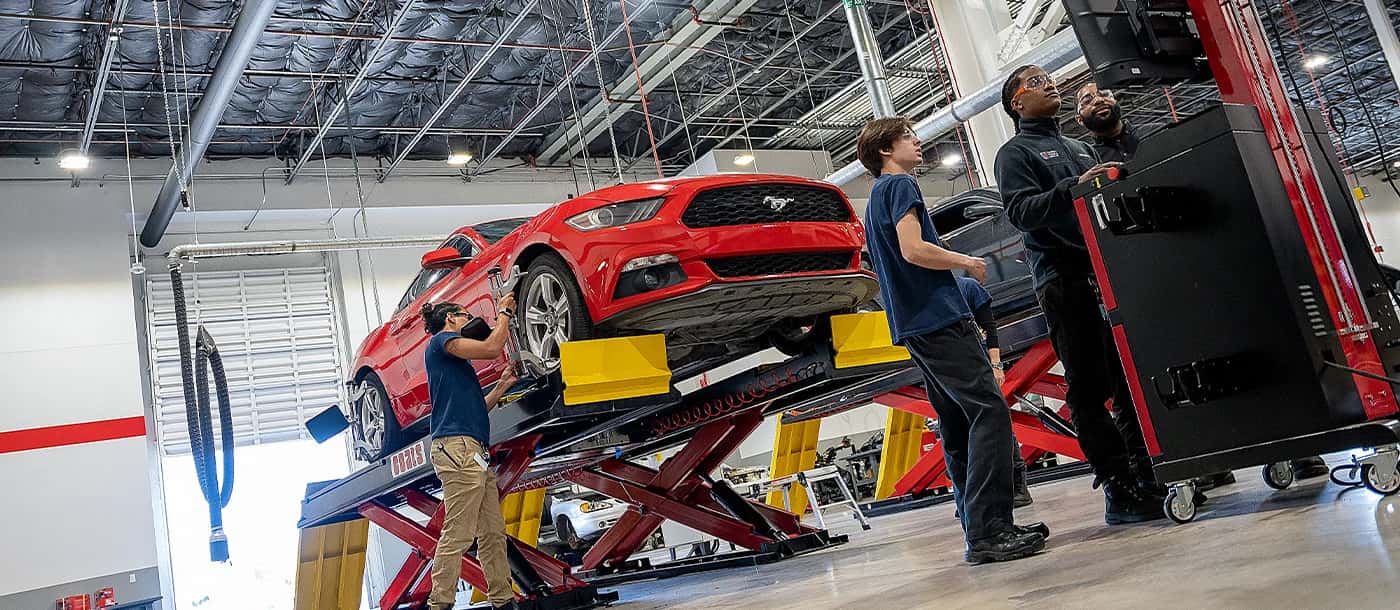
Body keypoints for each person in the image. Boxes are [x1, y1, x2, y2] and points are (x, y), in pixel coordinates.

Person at [1073, 82, 1330, 486]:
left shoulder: (1155, 143)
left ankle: (1297, 445)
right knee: (1176, 367)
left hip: (1198, 261)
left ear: (1118, 99)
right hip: (1146, 279)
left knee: (1246, 349)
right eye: (1086, 99)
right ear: (1078, 119)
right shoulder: (1085, 165)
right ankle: (1206, 460)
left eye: (1102, 93)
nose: (1097, 100)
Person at [858, 116, 1047, 564]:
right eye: (907, 136)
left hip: (914, 323)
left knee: (958, 421)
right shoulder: (900, 186)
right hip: (938, 317)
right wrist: (967, 261)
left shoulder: (874, 199)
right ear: (885, 150)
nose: (917, 142)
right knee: (989, 412)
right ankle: (990, 530)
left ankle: (978, 526)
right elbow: (914, 249)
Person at [994, 65, 1163, 525]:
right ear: (1017, 103)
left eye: (1050, 77)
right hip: (1063, 281)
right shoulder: (1014, 153)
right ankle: (1116, 486)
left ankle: (1146, 473)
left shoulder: (1079, 146)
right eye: (1034, 82)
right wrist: (1073, 188)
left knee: (1129, 381)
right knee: (1088, 389)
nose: (1049, 83)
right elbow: (1022, 212)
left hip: (1104, 275)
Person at [421, 294, 520, 610]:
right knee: (460, 532)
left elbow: (478, 408)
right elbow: (491, 348)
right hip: (457, 449)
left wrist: (502, 386)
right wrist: (504, 313)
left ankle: (503, 600)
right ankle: (440, 604)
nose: (469, 322)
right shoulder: (441, 343)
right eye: (465, 316)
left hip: (473, 449)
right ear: (451, 318)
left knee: (492, 532)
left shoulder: (456, 367)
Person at [956, 275, 1033, 507]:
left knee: (998, 424)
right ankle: (973, 496)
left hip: (979, 365)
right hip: (954, 369)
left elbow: (989, 327)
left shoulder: (967, 287)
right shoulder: (931, 292)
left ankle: (1018, 487)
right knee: (964, 430)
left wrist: (997, 364)